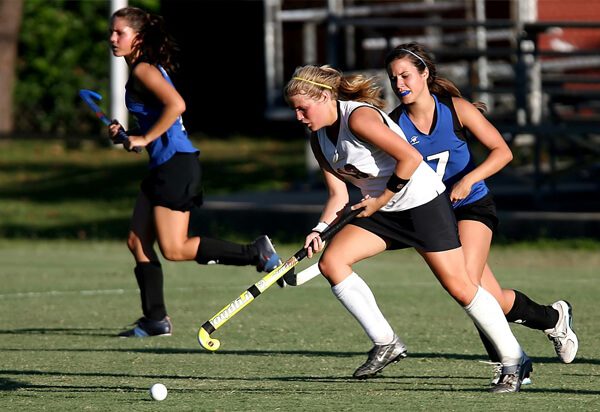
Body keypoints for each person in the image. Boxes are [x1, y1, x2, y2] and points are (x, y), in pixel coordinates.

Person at [284, 64, 531, 393]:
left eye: (303, 108)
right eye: (295, 110)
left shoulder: (358, 118)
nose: (299, 117)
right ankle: (386, 343)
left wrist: (380, 198)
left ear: (327, 96)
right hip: (384, 210)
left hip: (421, 204)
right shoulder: (319, 140)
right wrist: (320, 229)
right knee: (332, 262)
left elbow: (411, 158)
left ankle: (515, 359)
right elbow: (337, 195)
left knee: (461, 287)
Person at [384, 42, 578, 377]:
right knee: (490, 297)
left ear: (425, 74)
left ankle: (511, 364)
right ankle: (552, 318)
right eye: (393, 78)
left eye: (405, 75)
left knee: (467, 283)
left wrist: (468, 180)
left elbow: (502, 152)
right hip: (433, 216)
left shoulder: (456, 109)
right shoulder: (393, 125)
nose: (399, 84)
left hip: (472, 205)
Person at [107, 7, 283, 338]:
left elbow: (177, 106)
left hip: (176, 166)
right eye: (112, 32)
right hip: (163, 165)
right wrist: (128, 135)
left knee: (174, 249)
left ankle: (255, 253)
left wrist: (144, 137)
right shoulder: (143, 69)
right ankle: (155, 320)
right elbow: (158, 117)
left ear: (139, 38)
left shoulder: (144, 69)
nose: (112, 39)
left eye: (120, 33)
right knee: (137, 240)